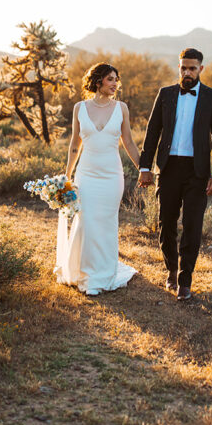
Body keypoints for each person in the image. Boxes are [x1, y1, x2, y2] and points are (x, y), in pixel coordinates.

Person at [138, 47, 212, 301]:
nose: (187, 72)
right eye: (183, 68)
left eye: (192, 68)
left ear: (201, 69)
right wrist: (145, 168)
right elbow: (152, 132)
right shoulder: (165, 94)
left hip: (197, 171)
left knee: (192, 225)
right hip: (168, 168)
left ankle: (185, 279)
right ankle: (171, 270)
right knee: (166, 222)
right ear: (179, 68)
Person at [56, 62, 140, 295]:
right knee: (87, 220)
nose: (115, 84)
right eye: (110, 79)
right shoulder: (79, 108)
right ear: (98, 81)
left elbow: (129, 143)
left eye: (116, 79)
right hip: (87, 174)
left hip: (112, 176)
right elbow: (75, 144)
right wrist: (67, 174)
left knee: (107, 222)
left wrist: (143, 168)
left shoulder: (121, 108)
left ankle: (104, 272)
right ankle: (87, 273)